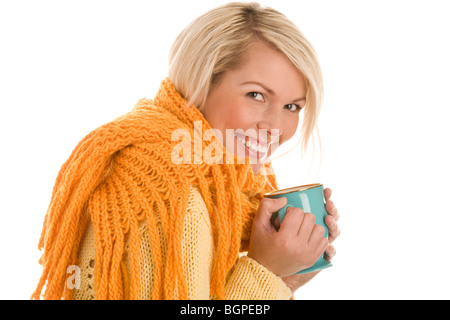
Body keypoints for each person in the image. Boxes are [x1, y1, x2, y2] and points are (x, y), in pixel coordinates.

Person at [32, 1, 340, 300]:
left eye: (291, 106)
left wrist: (287, 277)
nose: (276, 125)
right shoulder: (171, 191)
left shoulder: (221, 178)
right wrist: (265, 271)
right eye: (256, 95)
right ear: (201, 83)